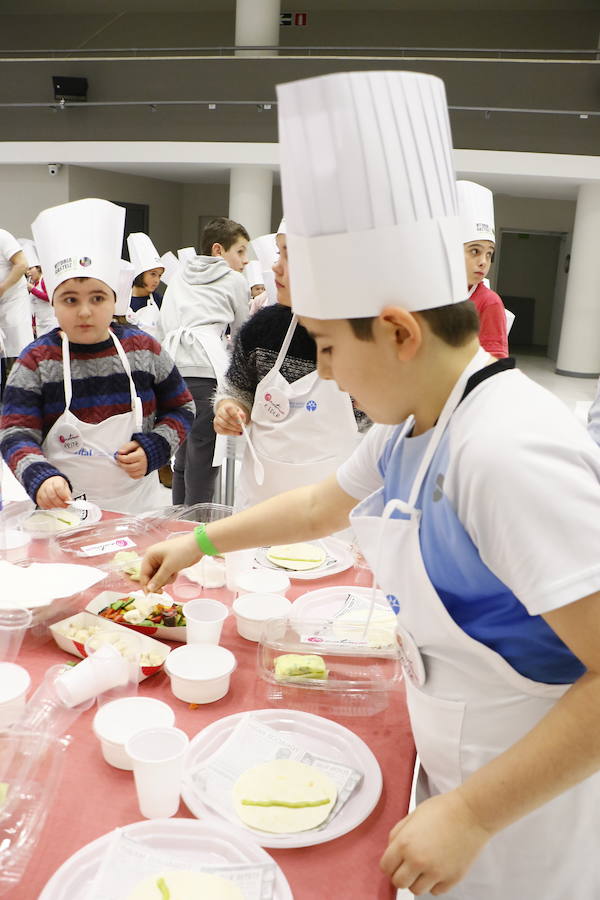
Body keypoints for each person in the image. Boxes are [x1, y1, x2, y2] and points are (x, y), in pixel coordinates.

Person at [140, 70, 600, 899]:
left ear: (397, 331)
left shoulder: (504, 451)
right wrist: (198, 539)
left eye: (325, 347)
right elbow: (322, 504)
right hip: (454, 763)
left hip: (525, 816)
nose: (323, 371)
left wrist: (476, 815)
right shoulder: (415, 421)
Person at [0, 198, 194, 514]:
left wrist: (156, 448)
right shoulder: (36, 361)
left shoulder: (144, 349)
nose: (85, 311)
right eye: (70, 299)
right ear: (53, 303)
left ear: (114, 299)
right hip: (62, 512)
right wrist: (40, 476)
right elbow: (15, 432)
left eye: (98, 297)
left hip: (135, 511)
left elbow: (182, 406)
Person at [213, 219, 367, 510]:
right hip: (260, 501)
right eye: (278, 252)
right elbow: (237, 391)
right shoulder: (262, 328)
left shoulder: (365, 342)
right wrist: (229, 410)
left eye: (289, 255)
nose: (275, 266)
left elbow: (378, 434)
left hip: (331, 512)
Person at [158, 217, 250, 506]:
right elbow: (242, 332)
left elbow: (165, 323)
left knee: (183, 453)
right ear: (218, 250)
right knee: (204, 454)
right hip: (206, 369)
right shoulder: (234, 279)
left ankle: (177, 524)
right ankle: (196, 531)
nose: (245, 261)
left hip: (172, 369)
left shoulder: (179, 276)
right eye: (241, 251)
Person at [457, 180, 508, 358]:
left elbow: (495, 360)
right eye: (475, 251)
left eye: (488, 254)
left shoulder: (489, 302)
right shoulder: (434, 294)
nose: (483, 262)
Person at [0, 227, 34, 392]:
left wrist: (3, 288)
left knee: (17, 349)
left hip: (13, 301)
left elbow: (22, 264)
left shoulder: (3, 236)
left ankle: (20, 395)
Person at [125, 232, 165, 338]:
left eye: (159, 276)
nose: (157, 280)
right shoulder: (122, 299)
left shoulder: (159, 301)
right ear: (140, 273)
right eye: (153, 274)